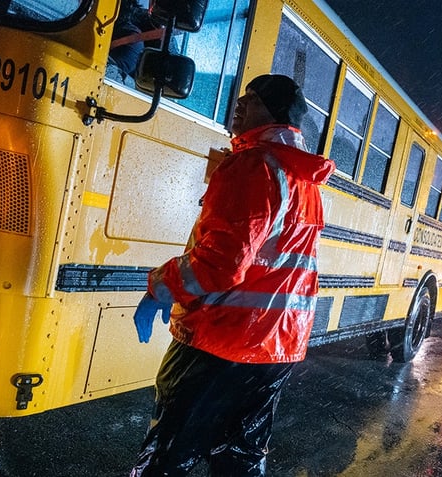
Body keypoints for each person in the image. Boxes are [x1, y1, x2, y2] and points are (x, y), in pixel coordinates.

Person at [129, 74, 335, 476]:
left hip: (222, 340)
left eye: (253, 99)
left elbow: (222, 264)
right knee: (239, 457)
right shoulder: (301, 177)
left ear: (273, 113)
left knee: (169, 456)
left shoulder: (252, 165)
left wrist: (158, 288)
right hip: (278, 344)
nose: (240, 103)